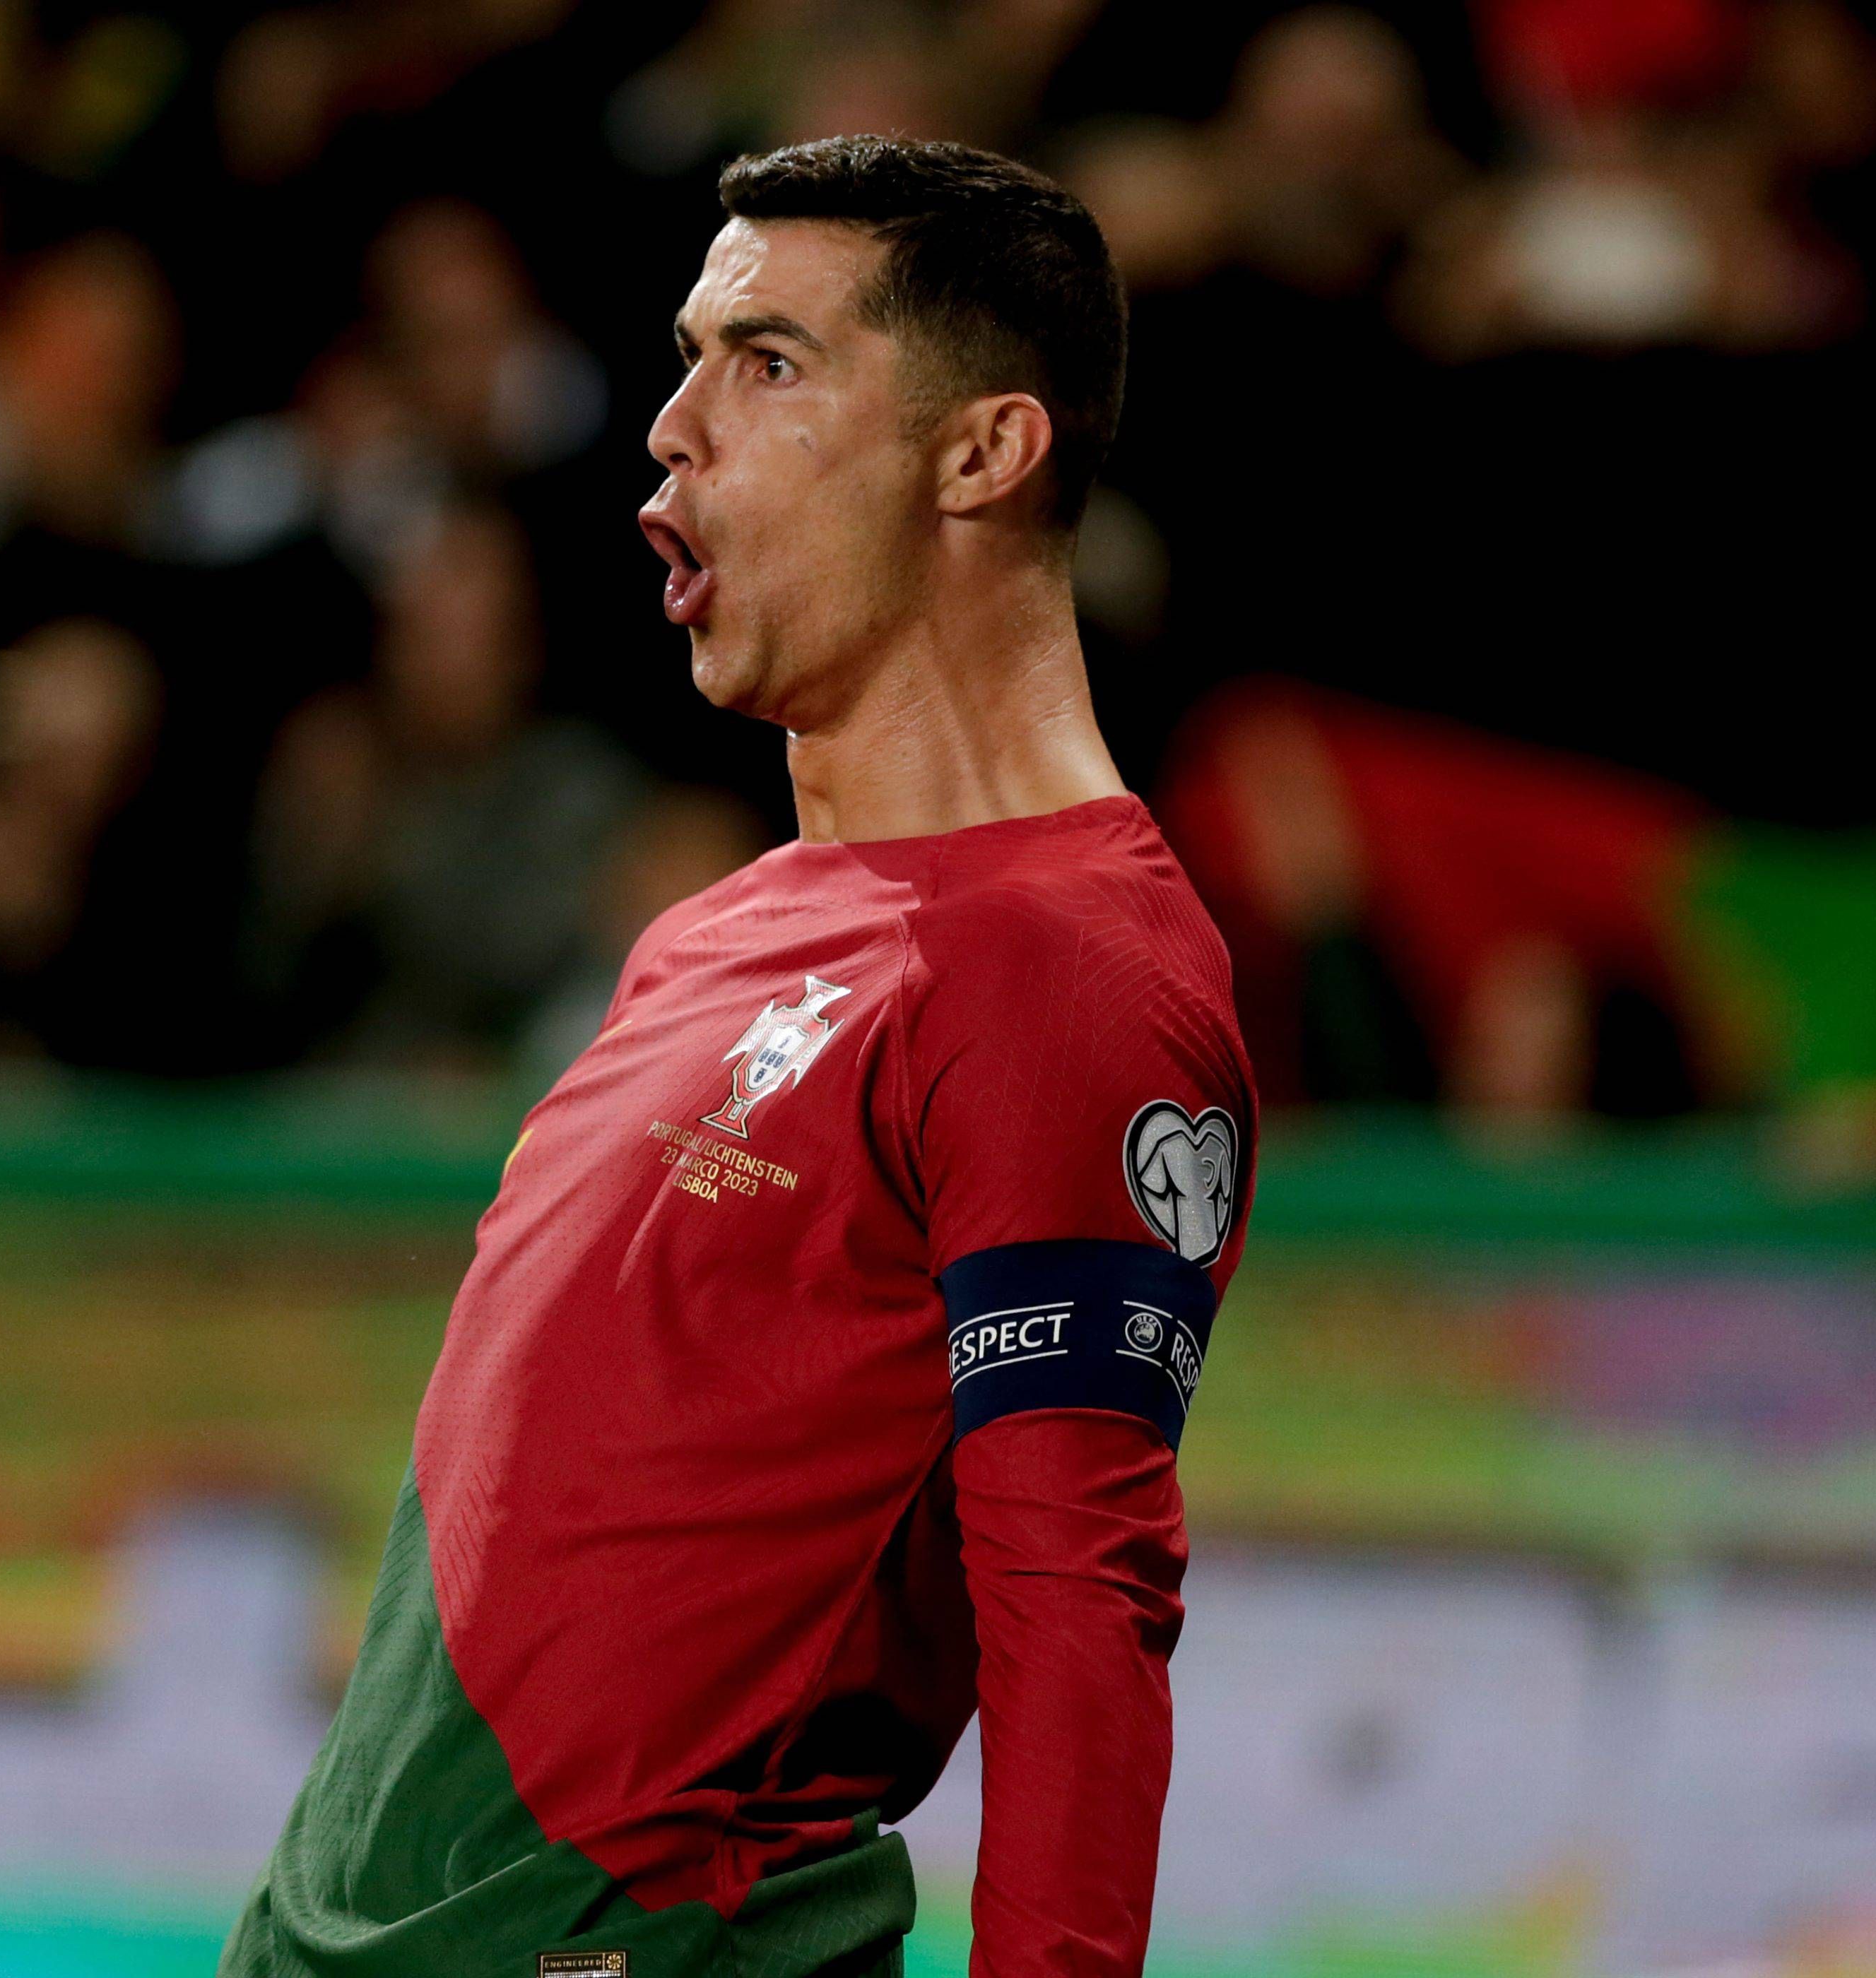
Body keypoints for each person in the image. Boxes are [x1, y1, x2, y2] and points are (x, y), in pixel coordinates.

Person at [225, 137, 1256, 1978]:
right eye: (689, 356)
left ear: (983, 452)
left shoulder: (1069, 974)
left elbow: (1079, 1624)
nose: (671, 428)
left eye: (767, 364)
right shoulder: (719, 928)